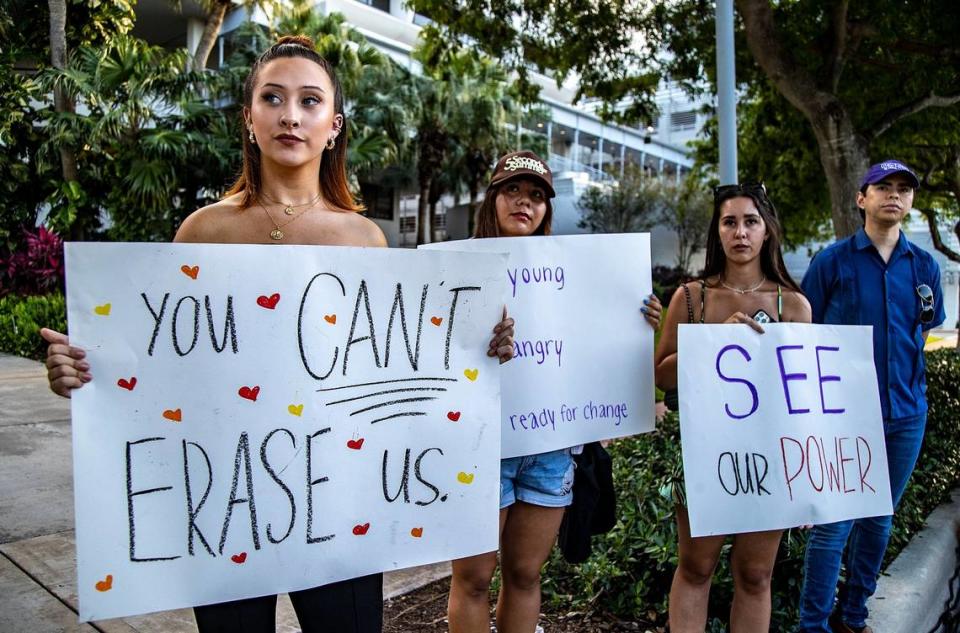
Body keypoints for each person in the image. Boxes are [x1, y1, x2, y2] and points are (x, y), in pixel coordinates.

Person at [40, 35, 516, 633]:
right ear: (249, 118)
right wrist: (82, 371)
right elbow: (165, 360)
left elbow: (398, 360)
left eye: (310, 101)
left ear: (334, 126)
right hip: (226, 504)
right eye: (273, 97)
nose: (291, 115)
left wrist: (480, 350)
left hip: (339, 503)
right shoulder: (201, 232)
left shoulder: (363, 239)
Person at [446, 150, 663, 633]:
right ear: (492, 199)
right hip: (479, 447)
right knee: (474, 578)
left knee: (525, 575)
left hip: (549, 448)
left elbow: (594, 349)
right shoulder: (454, 267)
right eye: (513, 191)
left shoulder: (571, 276)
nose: (526, 203)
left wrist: (639, 321)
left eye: (538, 196)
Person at [654, 182, 812, 633]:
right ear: (717, 232)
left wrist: (807, 478)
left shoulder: (794, 306)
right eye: (729, 222)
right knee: (696, 567)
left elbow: (805, 399)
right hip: (705, 453)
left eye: (750, 221)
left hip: (771, 456)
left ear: (767, 232)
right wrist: (712, 344)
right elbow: (660, 374)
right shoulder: (690, 298)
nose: (740, 232)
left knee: (756, 574)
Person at [796, 160, 945, 633]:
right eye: (883, 187)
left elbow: (920, 330)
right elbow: (803, 330)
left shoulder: (925, 267)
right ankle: (813, 624)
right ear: (861, 198)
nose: (894, 195)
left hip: (906, 415)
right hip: (843, 417)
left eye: (904, 189)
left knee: (879, 520)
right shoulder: (831, 261)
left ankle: (853, 615)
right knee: (833, 527)